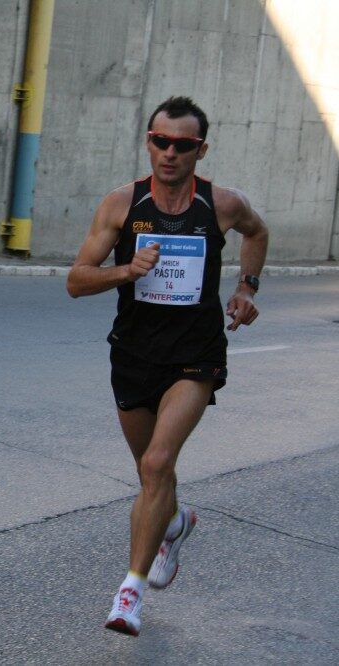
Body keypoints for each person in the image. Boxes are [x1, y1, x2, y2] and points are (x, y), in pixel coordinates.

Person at [66, 96, 269, 636]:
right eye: (161, 141)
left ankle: (128, 594)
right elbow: (76, 280)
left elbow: (257, 232)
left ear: (201, 150)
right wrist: (126, 271)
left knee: (158, 464)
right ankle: (175, 522)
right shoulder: (121, 205)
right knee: (149, 473)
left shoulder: (222, 204)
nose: (170, 153)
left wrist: (247, 287)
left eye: (183, 144)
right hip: (134, 355)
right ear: (148, 143)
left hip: (195, 356)